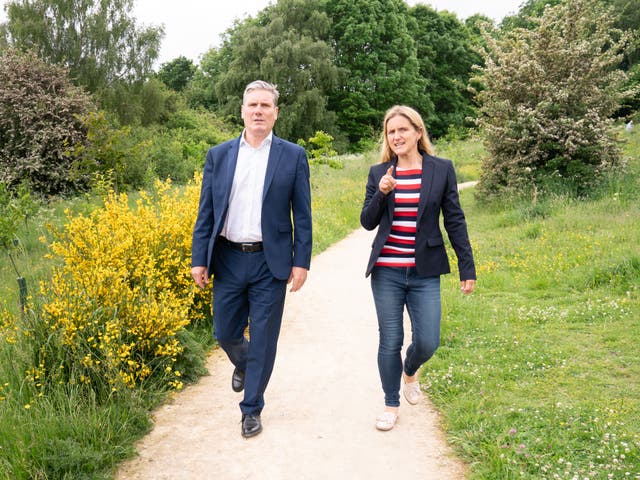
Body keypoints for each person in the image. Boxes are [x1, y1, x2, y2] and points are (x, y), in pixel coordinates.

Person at [191, 80, 312, 438]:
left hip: (269, 263)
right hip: (227, 258)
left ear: (276, 113)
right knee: (224, 332)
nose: (258, 111)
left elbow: (302, 215)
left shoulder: (293, 156)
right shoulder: (219, 155)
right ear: (242, 111)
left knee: (263, 339)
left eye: (265, 106)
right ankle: (245, 364)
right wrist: (200, 258)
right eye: (252, 105)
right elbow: (206, 213)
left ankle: (251, 408)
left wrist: (301, 261)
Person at [360, 105, 476, 431]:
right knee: (390, 340)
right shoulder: (379, 172)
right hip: (386, 271)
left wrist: (467, 267)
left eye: (402, 130)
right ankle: (390, 403)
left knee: (428, 341)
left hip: (425, 271)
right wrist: (381, 194)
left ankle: (410, 371)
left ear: (418, 132)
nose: (396, 136)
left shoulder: (441, 170)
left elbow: (454, 220)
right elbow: (367, 223)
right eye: (391, 131)